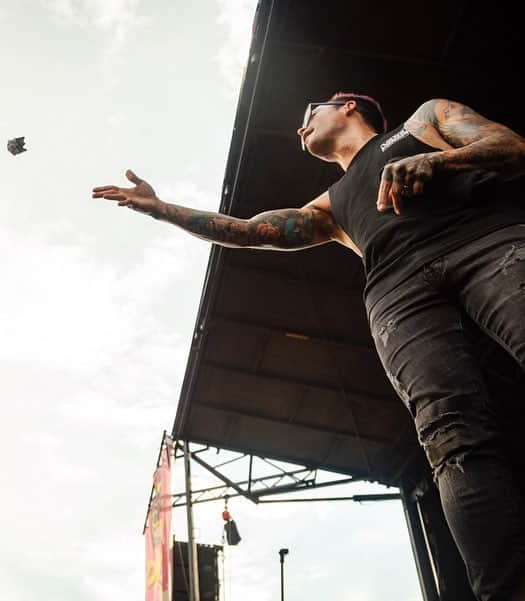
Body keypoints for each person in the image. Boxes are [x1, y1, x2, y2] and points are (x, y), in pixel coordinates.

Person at [92, 93, 525, 600]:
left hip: (487, 241)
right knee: (450, 436)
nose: (300, 129)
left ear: (347, 106)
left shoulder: (424, 121)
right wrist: (162, 209)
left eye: (308, 116)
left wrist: (440, 158)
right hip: (397, 290)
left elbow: (511, 146)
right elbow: (254, 232)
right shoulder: (332, 203)